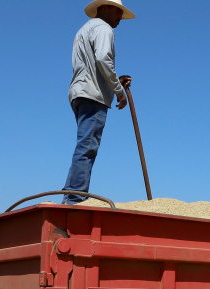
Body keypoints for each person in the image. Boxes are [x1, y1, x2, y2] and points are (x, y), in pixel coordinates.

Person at [62, 0, 135, 204]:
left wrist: (114, 82)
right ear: (104, 8)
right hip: (92, 94)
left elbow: (93, 64)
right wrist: (119, 91)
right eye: (118, 11)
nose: (120, 16)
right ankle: (75, 196)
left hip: (80, 91)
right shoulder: (104, 29)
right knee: (88, 145)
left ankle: (70, 192)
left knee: (84, 143)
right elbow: (103, 58)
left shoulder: (85, 30)